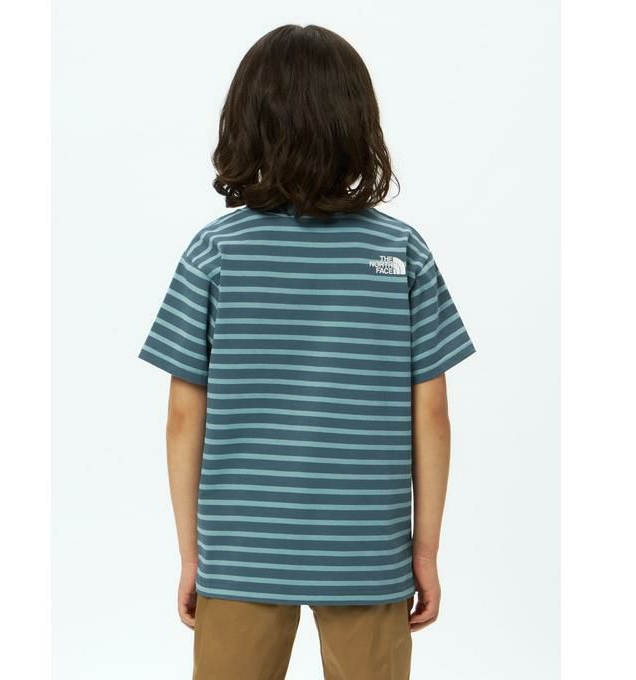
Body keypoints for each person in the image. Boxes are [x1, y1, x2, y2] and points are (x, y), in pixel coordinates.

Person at [138, 23, 476, 680]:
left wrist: (193, 557)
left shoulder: (215, 252)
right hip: (367, 551)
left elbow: (182, 417)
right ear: (358, 125)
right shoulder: (401, 252)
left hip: (241, 551)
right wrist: (424, 553)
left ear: (247, 123)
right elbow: (432, 414)